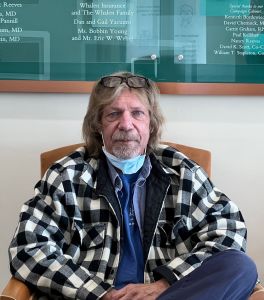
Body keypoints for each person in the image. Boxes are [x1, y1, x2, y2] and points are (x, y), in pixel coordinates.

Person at [9, 71, 259, 300]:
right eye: (113, 114)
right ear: (98, 125)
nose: (126, 125)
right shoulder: (66, 176)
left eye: (137, 113)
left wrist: (165, 284)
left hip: (166, 294)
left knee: (240, 267)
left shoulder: (182, 172)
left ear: (151, 123)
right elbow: (28, 248)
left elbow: (229, 232)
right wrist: (100, 294)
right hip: (96, 297)